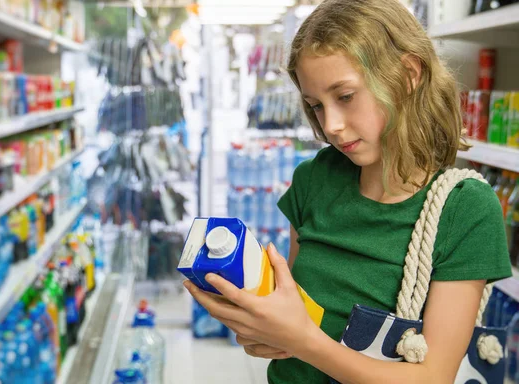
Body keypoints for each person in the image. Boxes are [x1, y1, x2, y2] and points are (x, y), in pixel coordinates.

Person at [184, 0, 512, 383]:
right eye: (316, 105)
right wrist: (264, 332)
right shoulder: (314, 179)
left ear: (408, 74)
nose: (332, 126)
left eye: (344, 96)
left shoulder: (466, 209)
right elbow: (298, 317)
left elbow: (433, 376)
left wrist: (302, 340)